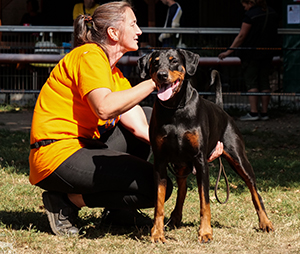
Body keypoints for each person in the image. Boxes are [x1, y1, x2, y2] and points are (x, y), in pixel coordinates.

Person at [29, 1, 223, 236]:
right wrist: (156, 80)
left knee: (151, 117)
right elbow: (104, 108)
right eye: (133, 24)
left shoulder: (114, 74)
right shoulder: (89, 56)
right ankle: (66, 202)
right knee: (153, 187)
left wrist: (194, 153)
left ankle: (118, 211)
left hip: (84, 147)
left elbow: (142, 127)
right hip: (56, 155)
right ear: (113, 33)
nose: (139, 31)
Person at [218, 0, 278, 121]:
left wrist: (228, 51)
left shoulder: (250, 15)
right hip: (268, 53)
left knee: (252, 82)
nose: (244, 8)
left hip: (251, 54)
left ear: (250, 3)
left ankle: (254, 112)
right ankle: (265, 112)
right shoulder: (271, 13)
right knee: (264, 81)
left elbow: (241, 36)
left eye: (244, 5)